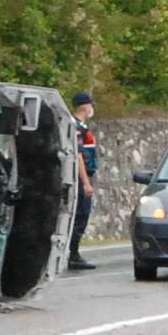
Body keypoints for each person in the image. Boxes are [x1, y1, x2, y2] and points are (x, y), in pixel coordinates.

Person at [66, 92, 101, 270]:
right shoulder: (75, 127)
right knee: (80, 215)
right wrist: (86, 182)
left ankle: (72, 253)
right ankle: (72, 254)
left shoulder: (80, 126)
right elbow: (78, 155)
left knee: (81, 215)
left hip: (83, 176)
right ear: (84, 106)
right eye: (90, 105)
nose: (92, 108)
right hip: (80, 177)